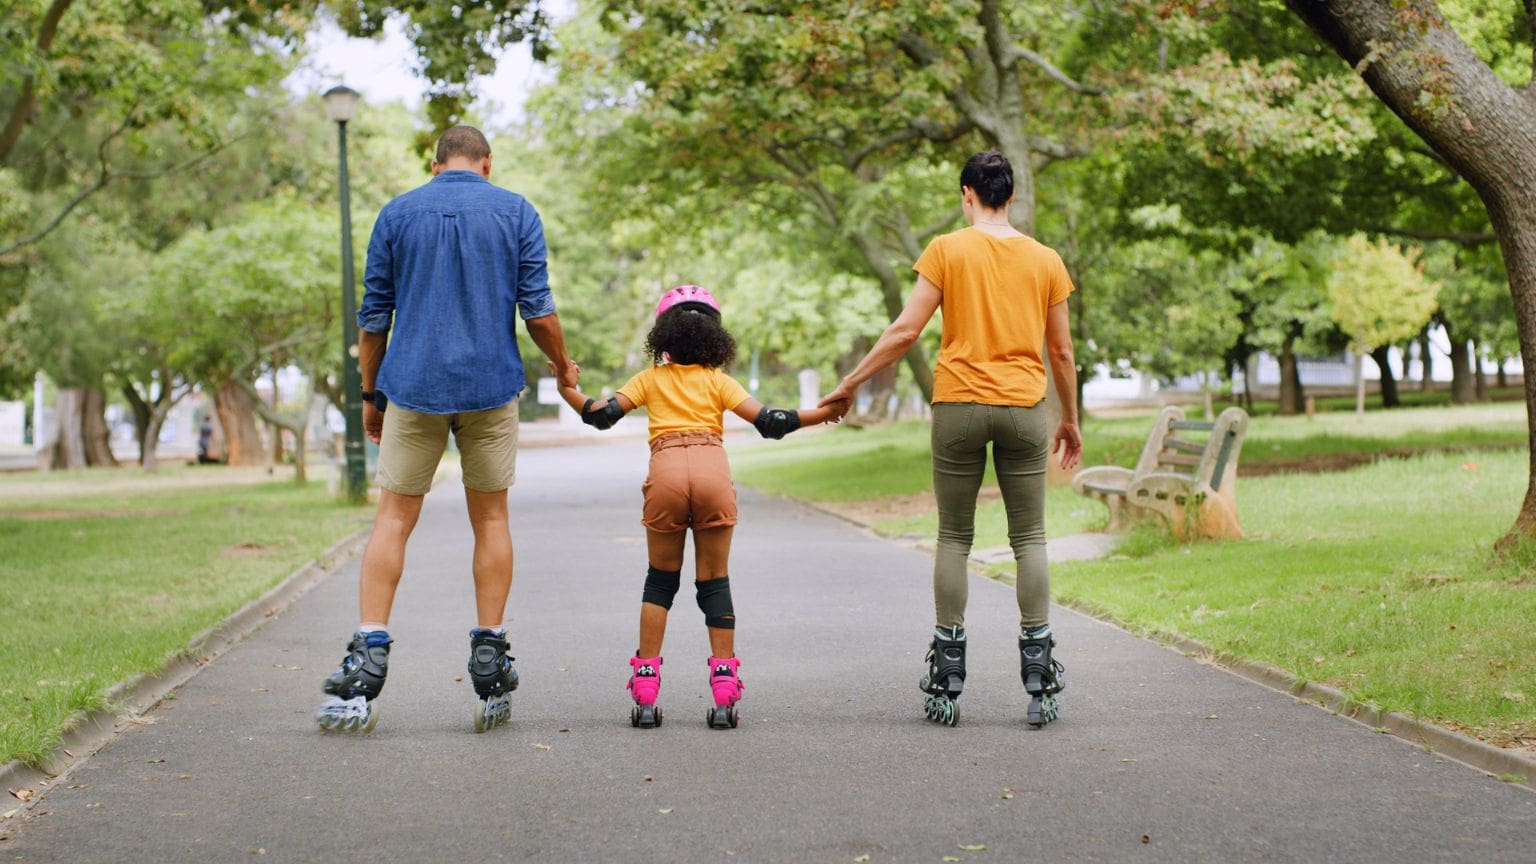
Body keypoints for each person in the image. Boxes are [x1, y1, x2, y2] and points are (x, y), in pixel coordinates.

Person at [315, 125, 579, 734]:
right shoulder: (516, 211)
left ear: (434, 165)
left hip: (413, 387)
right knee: (490, 518)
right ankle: (489, 651)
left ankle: (367, 654)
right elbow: (537, 309)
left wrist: (370, 396)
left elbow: (374, 318)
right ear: (486, 163)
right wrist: (563, 367)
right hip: (489, 387)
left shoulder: (397, 213)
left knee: (393, 519)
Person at [818, 151, 1083, 728]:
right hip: (1022, 408)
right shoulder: (1045, 260)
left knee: (955, 537)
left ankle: (947, 674)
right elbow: (1061, 351)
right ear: (1009, 196)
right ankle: (1039, 673)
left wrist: (850, 382)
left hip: (958, 405)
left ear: (968, 194)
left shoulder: (946, 250)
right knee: (1030, 537)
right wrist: (1070, 418)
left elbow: (906, 330)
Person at [556, 285, 847, 729]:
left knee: (660, 581)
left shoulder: (650, 378)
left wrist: (568, 388)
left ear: (663, 337)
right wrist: (823, 413)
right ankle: (725, 692)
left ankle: (647, 690)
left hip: (667, 473)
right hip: (712, 472)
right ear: (715, 338)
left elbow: (600, 414)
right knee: (714, 582)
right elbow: (771, 422)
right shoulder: (718, 381)